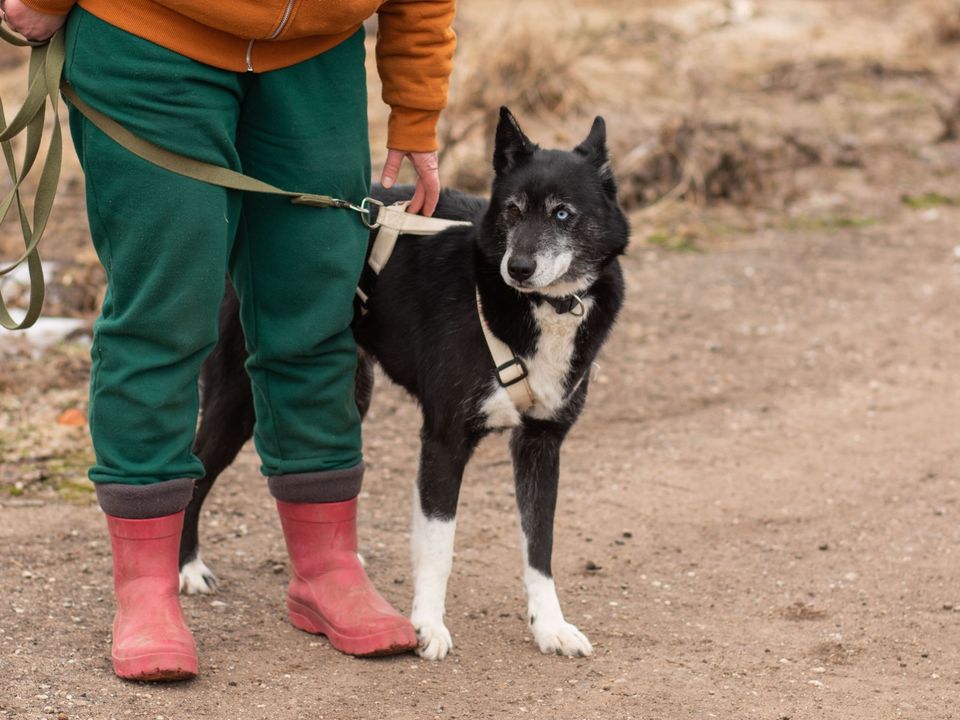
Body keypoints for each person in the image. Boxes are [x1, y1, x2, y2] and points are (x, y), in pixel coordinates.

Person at [2, 0, 455, 681]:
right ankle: (147, 593)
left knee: (316, 313)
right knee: (165, 314)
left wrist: (416, 106)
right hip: (147, 39)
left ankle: (327, 571)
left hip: (316, 56)